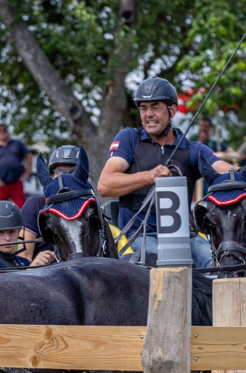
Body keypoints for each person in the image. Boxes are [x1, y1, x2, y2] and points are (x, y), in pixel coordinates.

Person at [97, 77, 233, 268]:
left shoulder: (192, 149)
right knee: (166, 267)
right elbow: (104, 185)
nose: (148, 114)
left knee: (220, 265)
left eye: (155, 107)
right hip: (140, 236)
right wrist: (148, 176)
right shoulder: (129, 139)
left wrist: (245, 173)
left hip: (185, 235)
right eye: (143, 108)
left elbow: (225, 169)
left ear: (172, 111)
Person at [0, 201, 55, 269]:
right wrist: (32, 269)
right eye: (0, 232)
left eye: (12, 232)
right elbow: (1, 287)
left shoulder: (24, 262)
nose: (7, 238)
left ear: (19, 231)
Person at [0, 124, 31, 208]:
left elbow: (29, 155)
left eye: (4, 130)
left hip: (16, 182)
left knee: (21, 208)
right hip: (1, 184)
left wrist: (27, 173)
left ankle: (20, 221)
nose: (2, 132)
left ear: (8, 131)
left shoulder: (17, 144)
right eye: (0, 130)